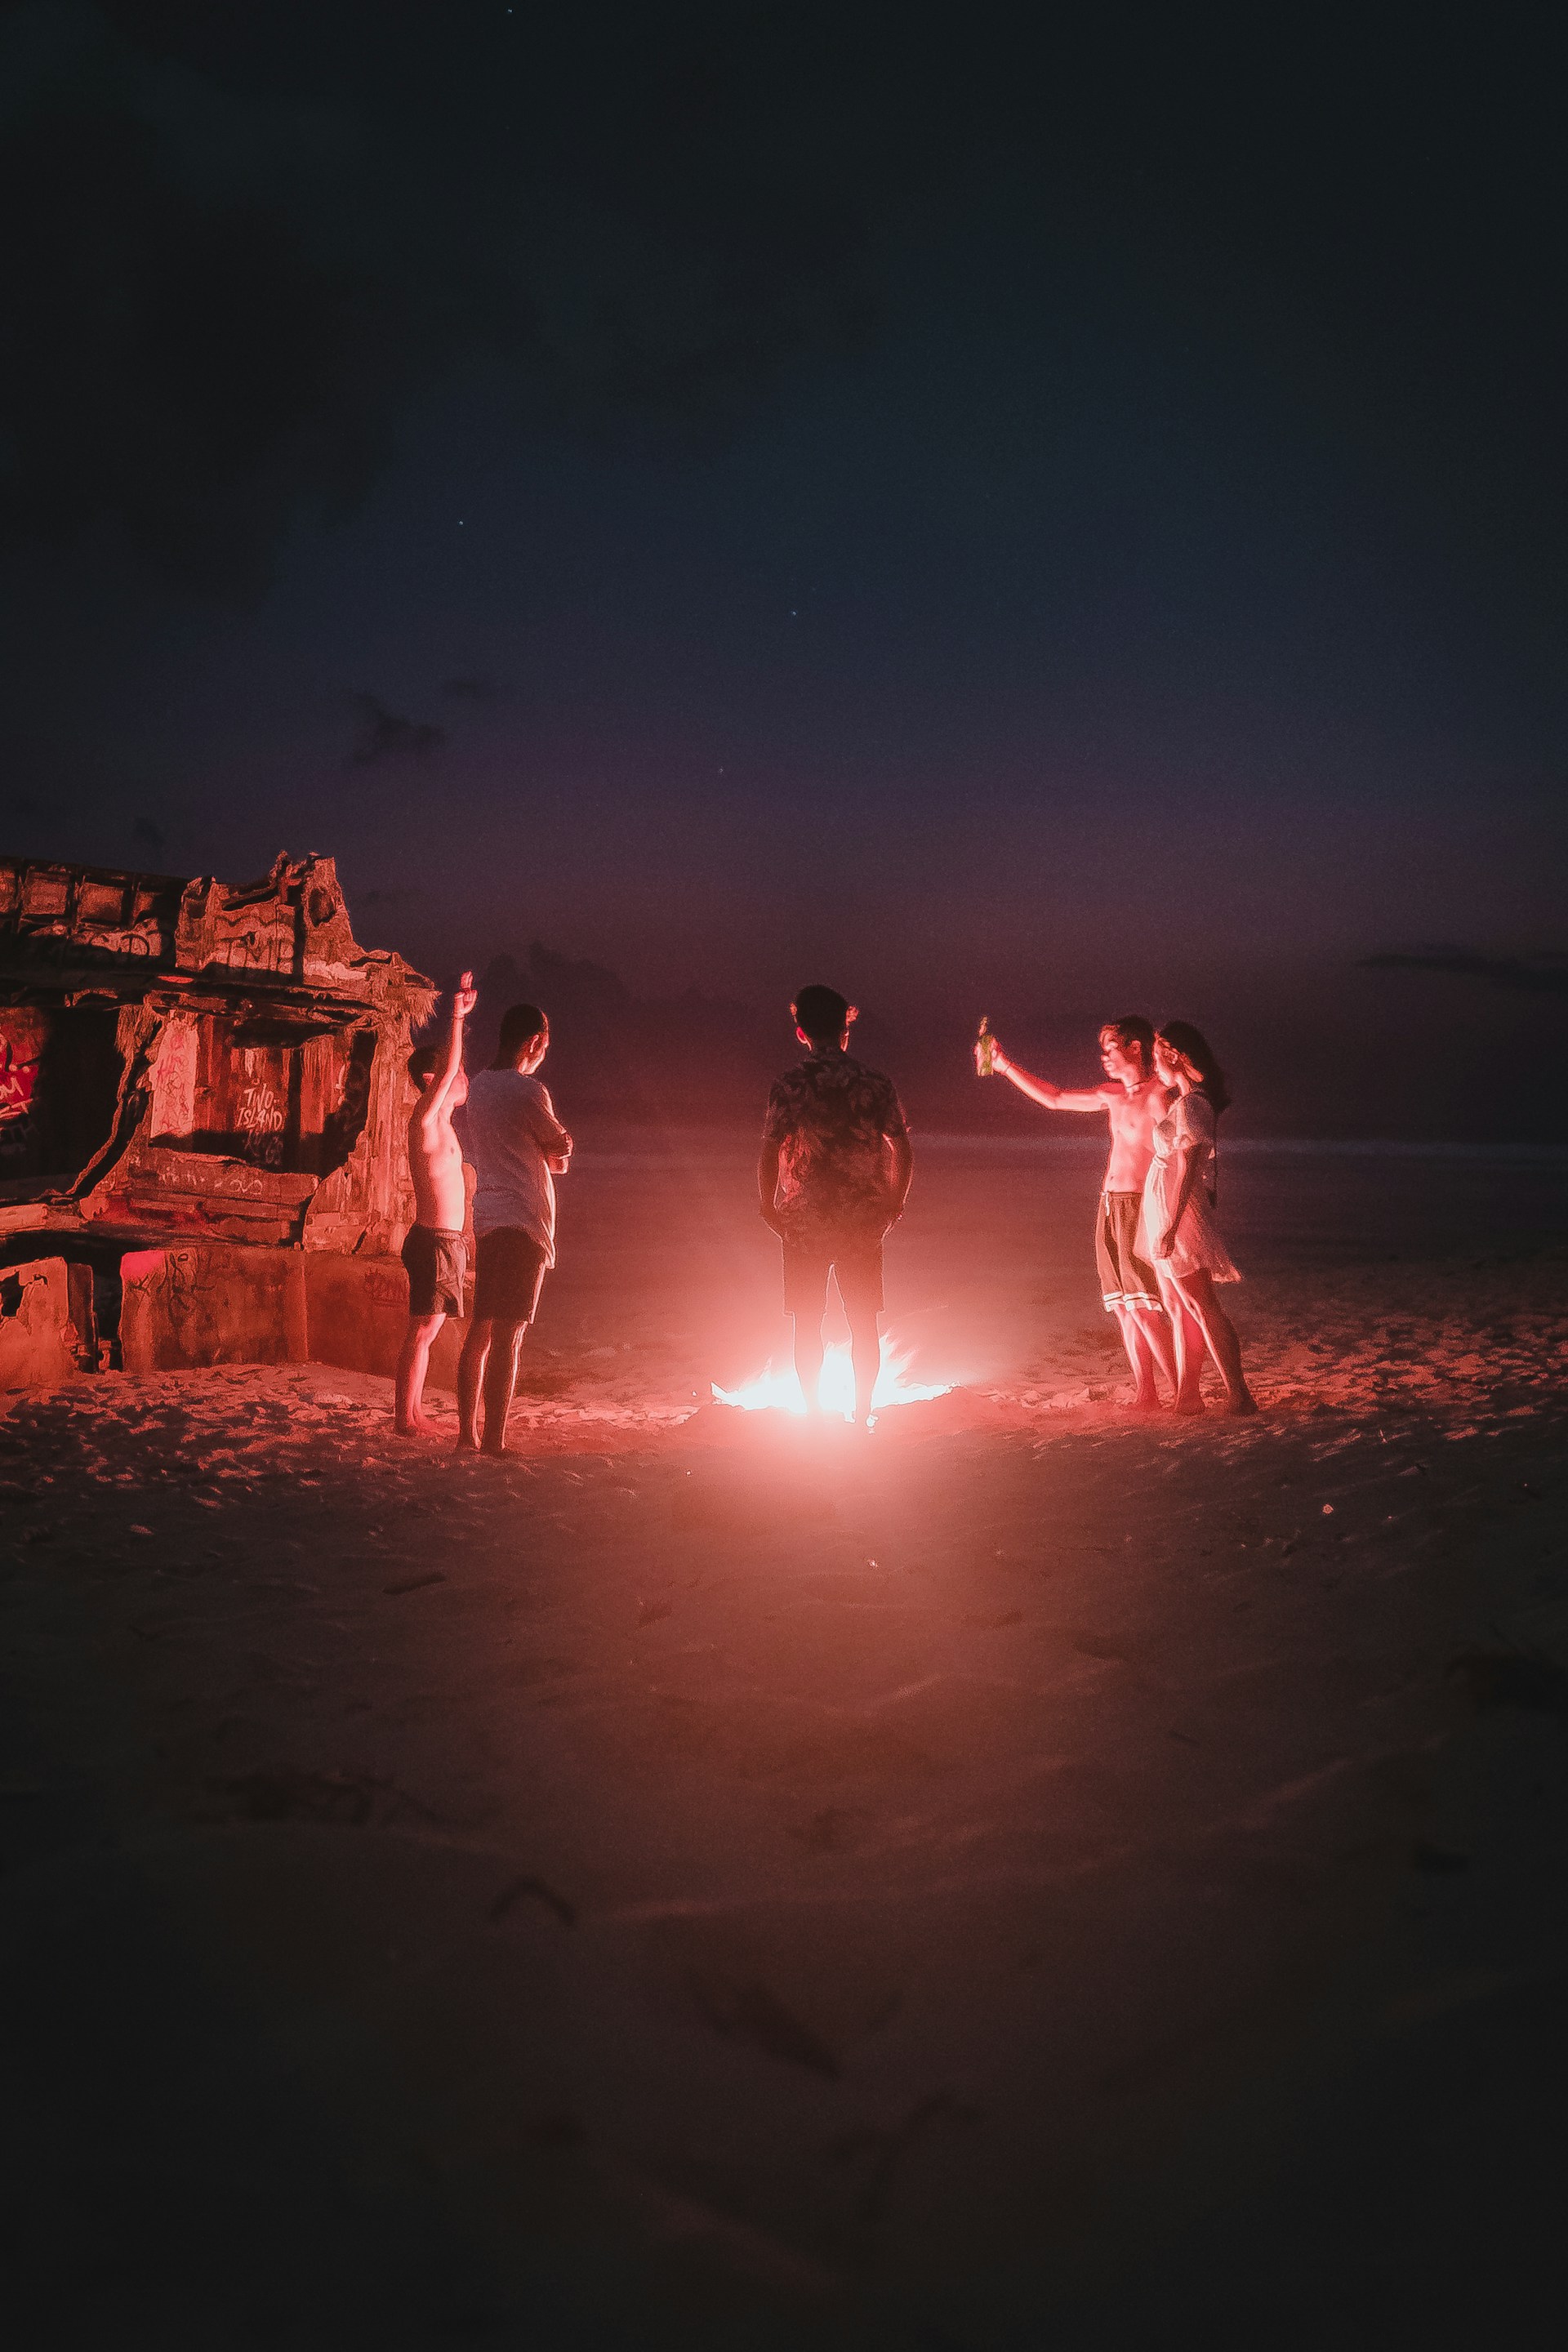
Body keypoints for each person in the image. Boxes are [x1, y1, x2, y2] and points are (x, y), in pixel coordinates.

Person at [977, 1017, 1178, 1410]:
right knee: (1122, 1306)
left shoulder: (1161, 1094)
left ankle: (1181, 1390)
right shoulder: (1112, 1095)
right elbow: (1054, 1098)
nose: (1104, 1058)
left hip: (1142, 1204)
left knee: (1145, 1304)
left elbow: (1185, 1150)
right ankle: (1147, 1393)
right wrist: (1004, 1066)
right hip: (1110, 1203)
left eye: (1111, 1048)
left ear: (1135, 1048)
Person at [758, 984, 913, 1426]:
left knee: (807, 1323)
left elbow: (770, 1151)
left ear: (801, 1032)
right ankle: (862, 1413)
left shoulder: (789, 1085)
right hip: (862, 1218)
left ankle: (814, 1416)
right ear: (846, 1028)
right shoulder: (874, 1082)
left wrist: (768, 1206)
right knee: (863, 1322)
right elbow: (902, 1148)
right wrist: (893, 1203)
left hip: (804, 1217)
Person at [455, 1002, 572, 1454]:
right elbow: (559, 1151)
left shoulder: (479, 1089)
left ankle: (467, 1435)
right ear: (533, 1043)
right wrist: (557, 1148)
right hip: (524, 1219)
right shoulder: (529, 1092)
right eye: (543, 1045)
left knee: (481, 1329)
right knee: (510, 1335)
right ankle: (496, 1441)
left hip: (487, 1216)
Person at [1141, 1021, 1257, 1416]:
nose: (1153, 1066)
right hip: (1165, 1206)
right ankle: (1187, 1397)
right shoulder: (1184, 1101)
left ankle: (1239, 1395)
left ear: (1173, 1054)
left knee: (1202, 1303)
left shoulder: (1193, 1104)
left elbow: (1190, 1167)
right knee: (1178, 1304)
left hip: (1179, 1210)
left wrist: (1172, 1225)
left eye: (1157, 1057)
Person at [395, 970, 477, 1436]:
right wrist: (457, 1017)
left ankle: (412, 1413)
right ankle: (404, 1418)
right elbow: (448, 1071)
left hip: (445, 1241)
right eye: (454, 1073)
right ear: (432, 1081)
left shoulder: (442, 1124)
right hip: (433, 1242)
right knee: (423, 1331)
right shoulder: (424, 1120)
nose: (463, 1077)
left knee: (426, 1332)